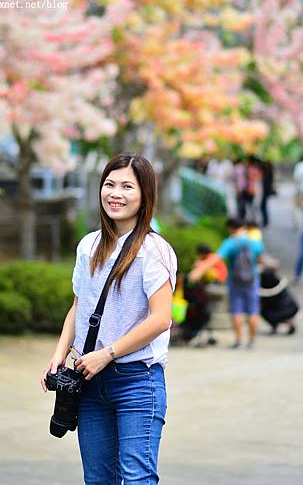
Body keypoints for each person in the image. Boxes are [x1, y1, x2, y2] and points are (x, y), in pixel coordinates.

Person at [41, 152, 177, 484]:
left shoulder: (154, 250)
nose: (115, 193)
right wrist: (59, 356)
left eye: (127, 186)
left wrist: (107, 354)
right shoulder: (89, 245)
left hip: (137, 382)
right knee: (98, 479)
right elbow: (79, 307)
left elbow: (161, 319)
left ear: (145, 195)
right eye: (109, 184)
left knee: (136, 478)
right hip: (89, 383)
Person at [189, 218, 264, 349]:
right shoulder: (253, 241)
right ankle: (253, 341)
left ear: (231, 228)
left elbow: (216, 258)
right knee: (253, 311)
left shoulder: (230, 243)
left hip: (235, 281)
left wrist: (199, 270)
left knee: (237, 311)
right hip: (252, 280)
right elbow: (260, 258)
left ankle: (240, 342)